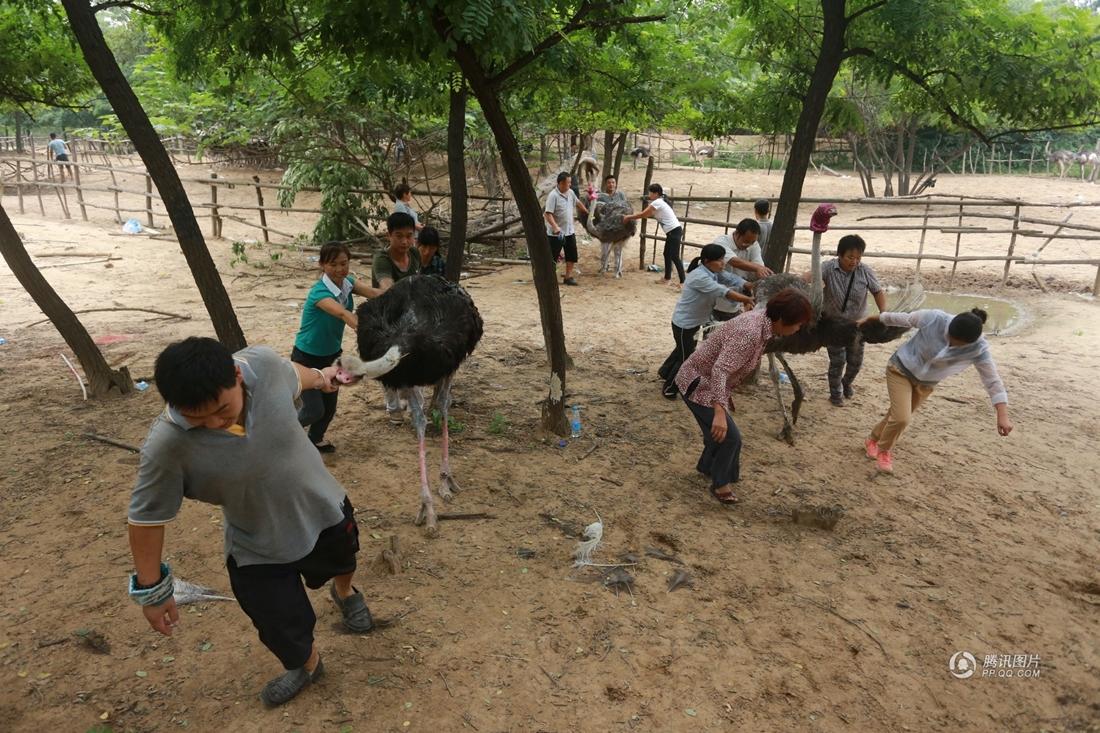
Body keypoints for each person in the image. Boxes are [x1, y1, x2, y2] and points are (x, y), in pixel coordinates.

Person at [127, 337, 375, 708]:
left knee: (343, 559)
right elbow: (146, 519)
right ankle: (307, 665)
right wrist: (153, 592)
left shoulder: (263, 366)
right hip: (256, 543)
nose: (213, 424)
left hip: (323, 508)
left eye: (222, 409)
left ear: (238, 376)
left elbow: (296, 375)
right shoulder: (166, 446)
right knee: (276, 619)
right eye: (198, 419)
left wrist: (325, 377)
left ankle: (344, 593)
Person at [675, 288, 812, 504]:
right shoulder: (750, 332)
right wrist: (720, 411)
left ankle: (707, 468)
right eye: (797, 324)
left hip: (707, 381)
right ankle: (721, 485)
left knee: (718, 435)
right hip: (698, 384)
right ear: (783, 319)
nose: (798, 328)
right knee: (730, 438)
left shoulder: (763, 320)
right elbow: (720, 370)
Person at [858, 308, 1012, 474]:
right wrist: (867, 320)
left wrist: (1002, 415)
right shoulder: (934, 318)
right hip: (900, 369)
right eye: (950, 339)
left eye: (958, 345)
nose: (951, 345)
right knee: (902, 418)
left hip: (926, 384)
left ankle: (872, 440)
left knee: (895, 415)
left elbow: (992, 380)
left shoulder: (979, 348)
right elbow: (899, 318)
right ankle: (884, 451)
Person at [292, 241, 375, 452]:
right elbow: (342, 313)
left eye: (344, 263)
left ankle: (315, 439)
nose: (340, 269)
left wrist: (400, 292)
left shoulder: (348, 283)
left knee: (329, 408)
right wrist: (371, 333)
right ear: (322, 265)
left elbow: (375, 293)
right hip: (306, 358)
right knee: (313, 410)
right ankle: (282, 433)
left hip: (331, 356)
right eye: (333, 264)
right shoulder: (319, 293)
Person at [658, 243, 755, 398]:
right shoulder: (700, 277)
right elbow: (723, 291)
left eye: (723, 259)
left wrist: (747, 284)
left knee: (682, 349)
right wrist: (748, 299)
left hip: (694, 321)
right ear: (707, 260)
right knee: (687, 358)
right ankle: (669, 388)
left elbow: (730, 278)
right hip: (685, 324)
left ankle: (664, 371)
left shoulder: (712, 271)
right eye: (719, 260)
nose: (723, 263)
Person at [817, 234, 886, 406]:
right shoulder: (827, 267)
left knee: (855, 363)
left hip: (858, 326)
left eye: (858, 257)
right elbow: (810, 277)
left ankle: (846, 383)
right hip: (832, 325)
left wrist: (884, 314)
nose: (854, 261)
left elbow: (877, 292)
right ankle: (836, 394)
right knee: (837, 361)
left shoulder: (865, 271)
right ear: (839, 255)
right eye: (850, 257)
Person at [373, 211, 421, 423]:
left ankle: (415, 407)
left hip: (409, 317)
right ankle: (394, 409)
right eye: (399, 236)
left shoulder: (415, 255)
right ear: (389, 236)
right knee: (389, 362)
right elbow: (386, 287)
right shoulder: (382, 260)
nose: (404, 241)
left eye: (409, 236)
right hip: (385, 318)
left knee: (412, 361)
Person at [711, 219, 774, 321]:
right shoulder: (721, 242)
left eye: (752, 242)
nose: (749, 244)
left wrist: (762, 272)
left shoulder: (754, 245)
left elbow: (758, 266)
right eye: (746, 241)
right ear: (737, 234)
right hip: (715, 301)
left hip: (736, 302)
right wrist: (757, 268)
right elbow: (734, 261)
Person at [623, 183, 684, 287]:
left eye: (650, 192)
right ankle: (667, 278)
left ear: (656, 193)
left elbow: (643, 214)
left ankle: (683, 281)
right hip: (672, 231)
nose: (649, 194)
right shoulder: (659, 202)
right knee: (667, 254)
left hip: (674, 231)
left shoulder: (658, 202)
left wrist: (628, 217)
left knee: (674, 256)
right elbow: (648, 214)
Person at [544, 172, 588, 286]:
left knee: (571, 255)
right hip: (556, 233)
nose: (569, 185)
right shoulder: (553, 196)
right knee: (552, 256)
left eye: (570, 182)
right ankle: (549, 278)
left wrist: (588, 212)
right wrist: (555, 227)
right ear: (560, 183)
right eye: (567, 183)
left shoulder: (571, 192)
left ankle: (568, 277)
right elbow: (548, 214)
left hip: (569, 231)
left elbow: (578, 203)